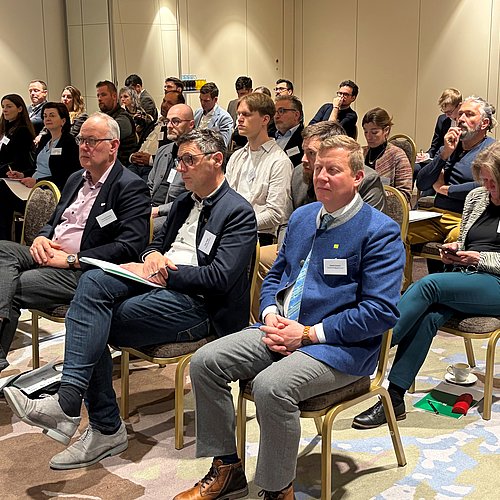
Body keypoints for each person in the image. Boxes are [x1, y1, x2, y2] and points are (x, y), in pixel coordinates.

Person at [4, 129, 257, 472]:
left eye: (189, 160)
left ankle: (94, 420)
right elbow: (153, 245)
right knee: (92, 283)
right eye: (179, 160)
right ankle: (75, 405)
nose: (180, 168)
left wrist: (165, 272)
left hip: (200, 305)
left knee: (90, 321)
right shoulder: (184, 202)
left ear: (216, 160)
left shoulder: (238, 211)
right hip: (158, 285)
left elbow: (220, 278)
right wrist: (152, 257)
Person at [172, 135, 405, 500]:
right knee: (205, 362)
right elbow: (276, 275)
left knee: (271, 386)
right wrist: (268, 312)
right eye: (318, 168)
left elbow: (380, 312)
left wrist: (308, 334)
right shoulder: (302, 217)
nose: (321, 176)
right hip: (280, 328)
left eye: (334, 170)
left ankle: (278, 490)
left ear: (358, 177)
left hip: (339, 346)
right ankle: (227, 468)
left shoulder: (379, 232)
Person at [353, 140, 500, 429]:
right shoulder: (477, 197)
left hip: (495, 282)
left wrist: (479, 258)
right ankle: (394, 398)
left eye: (493, 182)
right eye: (484, 181)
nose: (487, 188)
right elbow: (468, 240)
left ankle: (370, 347)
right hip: (468, 277)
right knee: (429, 316)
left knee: (428, 285)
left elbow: (481, 253)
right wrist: (456, 250)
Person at [0, 112, 150, 371]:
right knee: (2, 250)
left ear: (113, 145)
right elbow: (53, 221)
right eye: (81, 140)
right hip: (51, 252)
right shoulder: (75, 178)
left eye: (92, 141)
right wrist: (41, 238)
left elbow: (129, 247)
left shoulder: (129, 186)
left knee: (13, 285)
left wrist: (73, 260)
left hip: (82, 270)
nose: (83, 147)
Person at [254, 120, 386, 321]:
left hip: (341, 252)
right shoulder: (299, 174)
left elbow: (364, 227)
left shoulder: (368, 182)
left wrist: (310, 333)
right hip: (301, 244)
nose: (305, 160)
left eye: (312, 153)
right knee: (260, 258)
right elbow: (289, 220)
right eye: (305, 152)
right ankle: (264, 316)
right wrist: (269, 314)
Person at [412, 96, 496, 246]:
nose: (461, 119)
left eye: (469, 115)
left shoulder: (492, 150)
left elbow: (484, 186)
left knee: (455, 239)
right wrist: (444, 155)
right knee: (398, 232)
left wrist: (445, 189)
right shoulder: (449, 146)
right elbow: (422, 183)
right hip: (437, 215)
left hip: (468, 217)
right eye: (460, 114)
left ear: (484, 123)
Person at [0, 102, 81, 241]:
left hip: (49, 190)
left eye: (52, 115)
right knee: (2, 188)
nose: (47, 118)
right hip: (32, 185)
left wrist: (37, 181)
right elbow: (36, 167)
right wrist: (22, 174)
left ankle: (6, 240)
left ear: (63, 120)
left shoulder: (68, 142)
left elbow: (67, 175)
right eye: (45, 116)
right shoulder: (44, 139)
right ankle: (5, 240)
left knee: (3, 197)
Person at [226, 92, 293, 246]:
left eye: (246, 114)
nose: (239, 119)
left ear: (265, 119)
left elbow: (275, 214)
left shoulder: (279, 161)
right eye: (238, 114)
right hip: (230, 231)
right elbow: (225, 197)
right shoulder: (236, 156)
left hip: (257, 236)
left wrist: (238, 225)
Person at [149, 103, 195, 233]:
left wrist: (158, 210)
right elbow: (150, 185)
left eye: (175, 121)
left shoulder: (195, 157)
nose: (169, 126)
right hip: (152, 208)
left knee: (141, 229)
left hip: (175, 213)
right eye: (167, 121)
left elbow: (193, 198)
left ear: (191, 124)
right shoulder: (162, 151)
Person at [128, 91, 185, 181]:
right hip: (135, 164)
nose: (164, 105)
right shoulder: (153, 123)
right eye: (164, 101)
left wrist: (150, 160)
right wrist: (132, 156)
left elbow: (173, 157)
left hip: (153, 168)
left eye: (169, 103)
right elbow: (138, 145)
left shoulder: (177, 130)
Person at [362, 107, 413, 202]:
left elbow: (404, 194)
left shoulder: (397, 156)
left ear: (386, 130)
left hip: (388, 206)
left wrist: (373, 196)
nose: (368, 137)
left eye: (374, 132)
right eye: (365, 132)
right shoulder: (360, 153)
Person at [96, 80, 138, 166]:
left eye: (103, 95)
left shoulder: (123, 119)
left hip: (122, 166)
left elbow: (103, 136)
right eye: (98, 95)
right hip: (106, 163)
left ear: (114, 96)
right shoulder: (101, 116)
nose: (99, 99)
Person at [0, 94, 35, 177]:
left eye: (9, 107)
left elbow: (20, 160)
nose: (5, 110)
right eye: (3, 107)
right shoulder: (5, 129)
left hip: (13, 174)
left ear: (19, 109)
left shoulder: (23, 131)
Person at [194, 82, 233, 146]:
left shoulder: (224, 118)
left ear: (215, 100)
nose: (202, 103)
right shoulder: (197, 113)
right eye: (201, 99)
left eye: (206, 101)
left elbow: (223, 144)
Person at [274, 95, 304, 167]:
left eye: (281, 111)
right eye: (275, 112)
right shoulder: (269, 135)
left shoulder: (304, 138)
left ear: (296, 115)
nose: (276, 116)